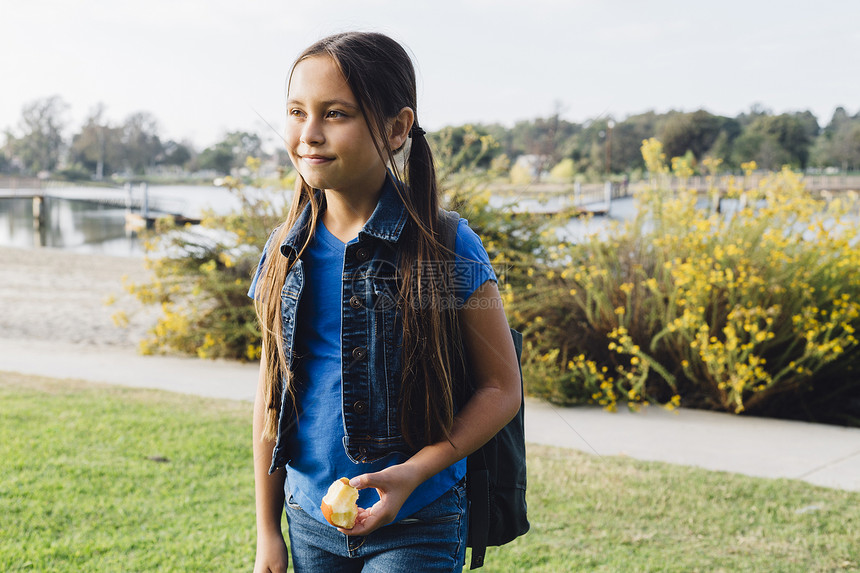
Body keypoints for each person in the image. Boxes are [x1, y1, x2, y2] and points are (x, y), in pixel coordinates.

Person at [249, 31, 521, 573]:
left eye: (336, 114)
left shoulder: (446, 246)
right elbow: (270, 399)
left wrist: (416, 471)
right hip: (309, 519)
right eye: (297, 111)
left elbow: (500, 389)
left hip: (418, 522)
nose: (310, 134)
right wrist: (267, 532)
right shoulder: (284, 250)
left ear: (396, 129)